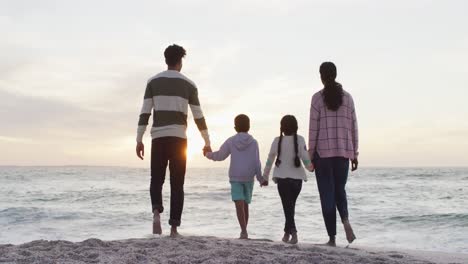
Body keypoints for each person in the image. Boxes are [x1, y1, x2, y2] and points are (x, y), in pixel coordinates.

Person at [135, 44, 211, 237]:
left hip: (158, 138)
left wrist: (139, 139)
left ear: (166, 59)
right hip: (179, 139)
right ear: (180, 61)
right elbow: (198, 116)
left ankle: (156, 213)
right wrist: (206, 141)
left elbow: (145, 113)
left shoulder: (153, 82)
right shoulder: (189, 85)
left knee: (156, 179)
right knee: (177, 183)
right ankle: (174, 228)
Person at [309, 62, 358, 246]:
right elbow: (354, 127)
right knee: (340, 190)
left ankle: (332, 238)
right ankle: (345, 219)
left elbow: (313, 130)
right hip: (343, 153)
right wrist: (354, 154)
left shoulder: (316, 99)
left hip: (323, 155)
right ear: (335, 75)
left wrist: (310, 157)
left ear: (321, 76)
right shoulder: (348, 98)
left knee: (326, 194)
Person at [204, 114, 266, 239]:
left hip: (235, 177)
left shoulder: (231, 141)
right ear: (249, 126)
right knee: (245, 204)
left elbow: (220, 155)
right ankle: (244, 230)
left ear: (235, 127)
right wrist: (260, 178)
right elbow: (256, 162)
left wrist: (208, 154)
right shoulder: (254, 142)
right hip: (249, 177)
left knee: (239, 203)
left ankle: (243, 231)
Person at [263, 115, 314, 244]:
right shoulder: (300, 139)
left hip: (282, 179)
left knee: (288, 206)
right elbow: (305, 158)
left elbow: (270, 160)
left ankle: (294, 233)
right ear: (296, 127)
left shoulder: (277, 141)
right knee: (290, 206)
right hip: (297, 180)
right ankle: (286, 233)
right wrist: (311, 168)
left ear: (282, 128)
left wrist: (265, 177)